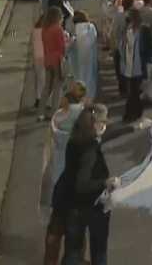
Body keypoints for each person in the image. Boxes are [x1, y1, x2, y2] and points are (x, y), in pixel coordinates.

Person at [53, 104, 121, 265]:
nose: (105, 126)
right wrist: (105, 182)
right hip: (93, 206)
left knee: (72, 252)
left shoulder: (75, 140)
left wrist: (135, 127)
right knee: (99, 251)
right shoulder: (90, 149)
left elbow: (108, 135)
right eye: (103, 122)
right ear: (94, 124)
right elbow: (82, 184)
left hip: (72, 205)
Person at [40, 82, 88, 265]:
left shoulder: (57, 119)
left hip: (59, 182)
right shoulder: (83, 120)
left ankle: (49, 261)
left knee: (55, 226)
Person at [116, 8, 152, 123]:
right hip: (128, 64)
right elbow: (122, 45)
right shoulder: (127, 30)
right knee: (134, 90)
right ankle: (137, 112)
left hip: (139, 65)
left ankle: (130, 113)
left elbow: (149, 46)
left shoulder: (144, 30)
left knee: (133, 90)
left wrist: (149, 58)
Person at [40, 7, 67, 121]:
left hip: (47, 59)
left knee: (47, 87)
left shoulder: (44, 29)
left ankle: (40, 112)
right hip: (57, 61)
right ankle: (53, 113)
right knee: (57, 87)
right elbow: (62, 48)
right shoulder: (58, 29)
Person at [69, 11, 100, 102]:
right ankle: (89, 98)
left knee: (79, 77)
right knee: (90, 77)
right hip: (90, 58)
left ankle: (80, 98)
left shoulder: (74, 29)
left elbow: (71, 45)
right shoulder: (91, 27)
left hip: (77, 60)